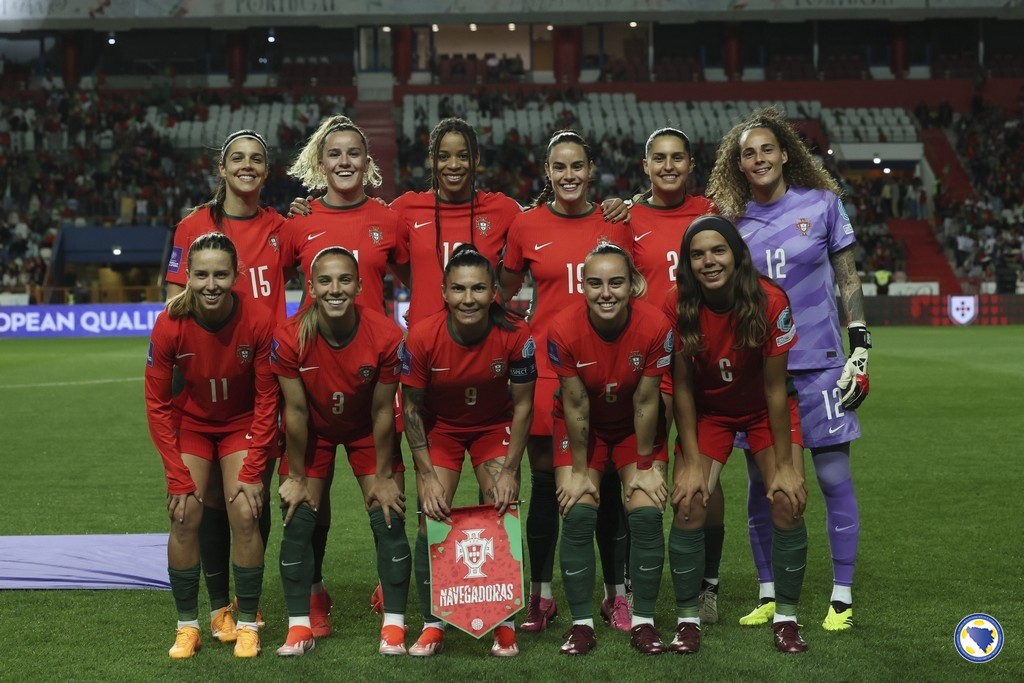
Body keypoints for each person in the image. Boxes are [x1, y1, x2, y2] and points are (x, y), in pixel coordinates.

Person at [707, 106, 871, 632]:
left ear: (784, 154)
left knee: (832, 476)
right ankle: (769, 592)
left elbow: (847, 276)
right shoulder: (731, 222)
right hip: (760, 372)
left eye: (766, 149)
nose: (758, 159)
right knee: (762, 483)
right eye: (748, 153)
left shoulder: (822, 204)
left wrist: (860, 346)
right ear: (738, 164)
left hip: (821, 364)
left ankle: (841, 597)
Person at [500, 130, 635, 634]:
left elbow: (636, 290)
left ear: (591, 169)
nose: (569, 175)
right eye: (560, 167)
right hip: (546, 372)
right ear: (547, 172)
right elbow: (503, 291)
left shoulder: (616, 222)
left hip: (606, 369)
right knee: (543, 486)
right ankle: (540, 596)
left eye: (577, 166)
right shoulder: (526, 224)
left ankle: (615, 594)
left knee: (607, 484)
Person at [278, 114, 407, 636]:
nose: (345, 161)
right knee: (313, 497)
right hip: (315, 373)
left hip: (374, 373)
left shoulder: (388, 219)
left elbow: (417, 276)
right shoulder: (298, 222)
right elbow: (265, 279)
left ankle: (388, 586)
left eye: (354, 152)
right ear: (320, 161)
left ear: (367, 161)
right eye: (335, 153)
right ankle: (313, 592)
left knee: (387, 490)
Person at [164, 129, 284, 643]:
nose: (247, 166)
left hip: (264, 381)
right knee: (208, 501)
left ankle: (244, 604)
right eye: (238, 158)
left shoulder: (282, 226)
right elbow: (174, 303)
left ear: (267, 169)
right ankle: (220, 609)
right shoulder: (192, 226)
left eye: (257, 159)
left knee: (252, 500)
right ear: (222, 166)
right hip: (206, 384)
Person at [670, 214, 809, 654]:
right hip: (710, 413)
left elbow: (775, 388)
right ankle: (688, 619)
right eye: (698, 254)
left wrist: (784, 466)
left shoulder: (770, 300)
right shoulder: (677, 304)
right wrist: (693, 463)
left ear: (737, 255)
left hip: (765, 411)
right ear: (688, 263)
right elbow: (683, 389)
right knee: (688, 502)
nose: (709, 261)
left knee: (787, 499)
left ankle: (786, 619)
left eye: (718, 250)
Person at [145, 232, 278, 659]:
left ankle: (247, 623)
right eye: (201, 275)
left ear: (237, 274)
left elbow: (267, 399)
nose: (211, 284)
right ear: (187, 275)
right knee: (184, 513)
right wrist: (176, 474)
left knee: (246, 511)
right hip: (193, 426)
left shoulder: (258, 319)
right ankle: (188, 626)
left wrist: (254, 468)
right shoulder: (169, 323)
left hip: (241, 424)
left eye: (221, 274)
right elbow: (157, 404)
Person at [271, 246, 409, 656]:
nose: (335, 289)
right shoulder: (289, 337)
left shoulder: (386, 335)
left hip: (367, 429)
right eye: (326, 281)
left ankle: (395, 626)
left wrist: (384, 476)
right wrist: (297, 477)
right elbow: (296, 412)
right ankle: (299, 627)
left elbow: (383, 410)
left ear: (360, 286)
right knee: (297, 517)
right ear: (310, 287)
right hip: (313, 432)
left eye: (345, 280)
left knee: (389, 514)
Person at [401, 244, 536, 657]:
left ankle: (503, 624)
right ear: (444, 292)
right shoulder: (422, 336)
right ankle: (433, 625)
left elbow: (524, 405)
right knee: (431, 517)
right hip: (441, 429)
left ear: (494, 292)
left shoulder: (516, 334)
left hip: (493, 427)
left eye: (478, 288)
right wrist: (426, 477)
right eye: (458, 289)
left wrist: (510, 470)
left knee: (501, 510)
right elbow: (411, 410)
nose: (468, 298)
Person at [546, 244, 673, 656]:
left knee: (647, 514)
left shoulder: (656, 325)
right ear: (582, 286)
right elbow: (575, 404)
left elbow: (648, 400)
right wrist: (579, 471)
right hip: (584, 426)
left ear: (632, 284)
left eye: (616, 283)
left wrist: (644, 465)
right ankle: (581, 625)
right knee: (579, 512)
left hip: (636, 427)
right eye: (596, 283)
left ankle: (644, 622)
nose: (606, 293)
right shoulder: (562, 329)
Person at [628, 127, 723, 623]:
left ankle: (707, 585)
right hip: (645, 366)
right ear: (646, 166)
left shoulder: (711, 212)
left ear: (690, 164)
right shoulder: (627, 218)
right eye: (659, 159)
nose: (668, 166)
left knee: (703, 473)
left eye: (677, 158)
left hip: (699, 361)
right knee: (640, 468)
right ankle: (630, 585)